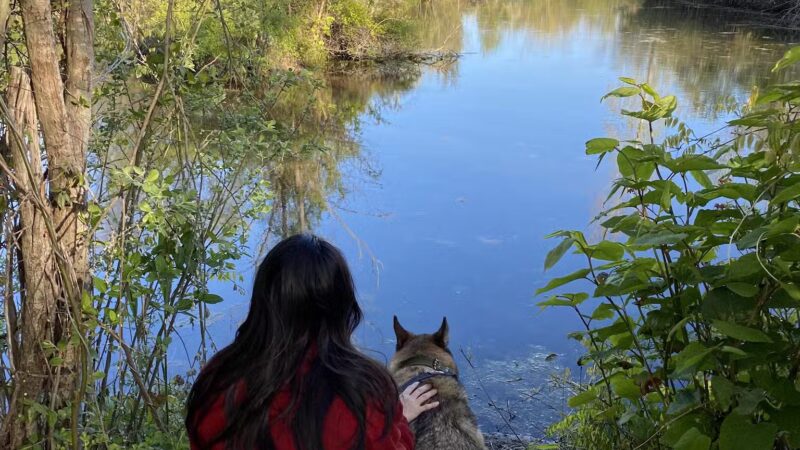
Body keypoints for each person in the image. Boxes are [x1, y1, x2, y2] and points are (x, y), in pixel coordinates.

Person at [186, 233, 438, 449]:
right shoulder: (362, 392)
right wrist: (399, 419)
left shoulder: (218, 379)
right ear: (342, 307)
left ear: (263, 301)